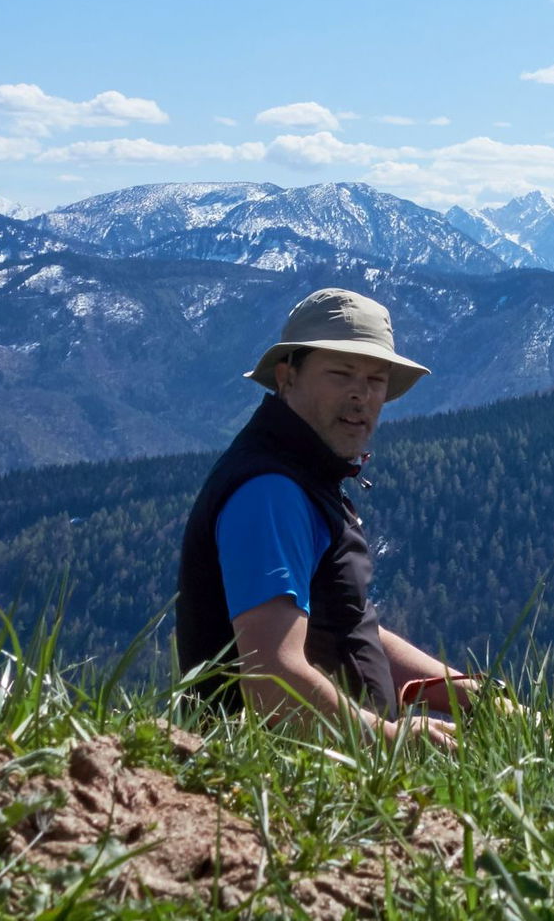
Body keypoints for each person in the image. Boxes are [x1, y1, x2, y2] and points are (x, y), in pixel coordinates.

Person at [176, 287, 483, 750]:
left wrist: (475, 697)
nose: (361, 394)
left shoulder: (303, 475)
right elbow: (270, 676)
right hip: (283, 778)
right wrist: (394, 742)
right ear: (287, 377)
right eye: (340, 374)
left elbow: (346, 626)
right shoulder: (270, 492)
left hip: (332, 763)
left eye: (376, 380)